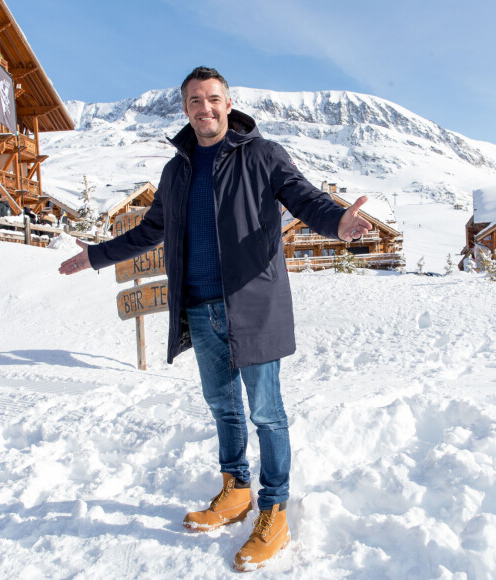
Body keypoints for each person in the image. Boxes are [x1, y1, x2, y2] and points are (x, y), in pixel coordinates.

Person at [59, 66, 371, 571]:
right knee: (222, 405)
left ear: (229, 104)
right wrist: (96, 255)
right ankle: (236, 489)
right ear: (185, 109)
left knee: (266, 412)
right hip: (200, 307)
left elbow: (303, 196)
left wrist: (337, 220)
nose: (204, 108)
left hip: (253, 305)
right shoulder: (176, 171)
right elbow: (150, 230)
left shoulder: (263, 155)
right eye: (194, 101)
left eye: (213, 99)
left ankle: (274, 508)